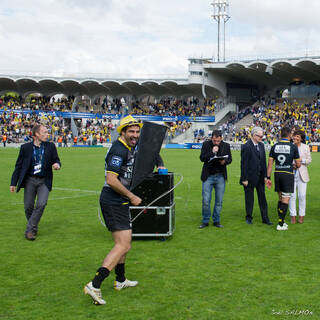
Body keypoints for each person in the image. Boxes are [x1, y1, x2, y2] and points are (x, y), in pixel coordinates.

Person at [84, 115, 143, 305]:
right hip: (113, 200)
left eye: (137, 131)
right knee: (123, 245)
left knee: (125, 243)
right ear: (123, 132)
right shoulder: (119, 149)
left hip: (120, 200)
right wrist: (132, 196)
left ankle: (120, 280)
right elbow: (111, 179)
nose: (135, 135)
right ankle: (95, 284)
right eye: (131, 131)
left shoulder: (128, 147)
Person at [10, 124, 61, 240]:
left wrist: (57, 164)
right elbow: (18, 166)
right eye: (44, 132)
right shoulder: (25, 148)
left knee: (41, 204)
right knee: (28, 206)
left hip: (44, 181)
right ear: (36, 134)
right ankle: (33, 227)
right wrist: (13, 182)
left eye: (47, 132)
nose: (47, 134)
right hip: (30, 180)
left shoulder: (51, 146)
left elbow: (56, 160)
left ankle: (30, 231)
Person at [266, 127, 301, 231]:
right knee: (285, 200)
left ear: (281, 135)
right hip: (287, 174)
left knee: (280, 199)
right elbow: (298, 164)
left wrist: (268, 177)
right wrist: (293, 166)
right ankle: (280, 224)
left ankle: (282, 221)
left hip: (277, 174)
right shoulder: (293, 147)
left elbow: (270, 164)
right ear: (289, 135)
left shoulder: (274, 146)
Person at [199, 130, 232, 228]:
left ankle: (216, 220)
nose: (216, 142)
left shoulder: (226, 146)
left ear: (221, 138)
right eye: (214, 141)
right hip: (208, 176)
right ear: (211, 138)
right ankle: (205, 220)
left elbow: (230, 159)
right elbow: (202, 158)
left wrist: (224, 162)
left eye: (218, 141)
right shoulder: (206, 144)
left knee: (219, 201)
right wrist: (212, 152)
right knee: (205, 200)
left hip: (220, 176)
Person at [240, 127, 272, 225]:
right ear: (253, 135)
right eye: (260, 136)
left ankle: (265, 218)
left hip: (260, 177)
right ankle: (249, 217)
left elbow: (263, 162)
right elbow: (244, 164)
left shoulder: (262, 146)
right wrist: (244, 178)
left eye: (262, 136)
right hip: (249, 178)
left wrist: (266, 176)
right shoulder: (246, 146)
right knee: (249, 199)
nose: (261, 138)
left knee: (262, 199)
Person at [288, 130, 312, 224]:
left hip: (302, 174)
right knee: (292, 196)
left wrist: (300, 161)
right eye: (294, 136)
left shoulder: (306, 147)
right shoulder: (289, 146)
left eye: (297, 136)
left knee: (302, 196)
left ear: (301, 138)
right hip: (291, 173)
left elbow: (309, 160)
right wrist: (292, 165)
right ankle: (293, 216)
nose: (295, 138)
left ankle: (301, 216)